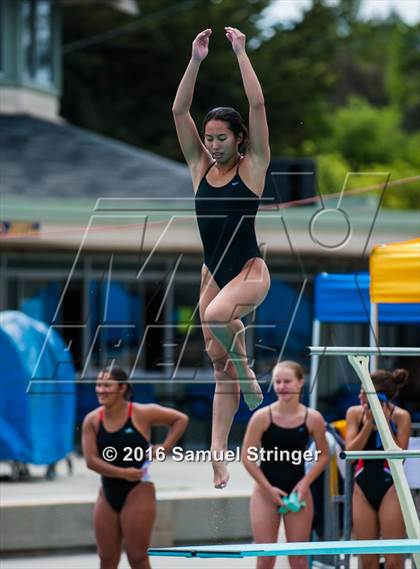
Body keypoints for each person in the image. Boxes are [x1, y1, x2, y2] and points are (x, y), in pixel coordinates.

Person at [172, 27, 271, 489]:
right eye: (208, 137)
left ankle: (248, 368)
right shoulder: (198, 170)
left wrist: (240, 54)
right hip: (214, 272)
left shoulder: (252, 169)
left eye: (220, 138)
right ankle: (217, 456)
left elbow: (257, 106)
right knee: (216, 359)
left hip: (250, 271)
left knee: (214, 318)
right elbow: (178, 110)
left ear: (238, 139)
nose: (212, 144)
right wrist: (194, 61)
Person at [82, 366, 188, 569]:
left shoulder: (140, 413)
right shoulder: (93, 420)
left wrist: (165, 447)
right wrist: (123, 473)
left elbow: (180, 419)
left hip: (138, 490)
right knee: (107, 558)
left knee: (137, 558)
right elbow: (91, 461)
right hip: (108, 492)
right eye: (98, 385)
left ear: (122, 388)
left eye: (107, 385)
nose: (101, 390)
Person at [242, 361, 329, 569]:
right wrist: (267, 488)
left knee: (298, 559)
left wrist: (305, 483)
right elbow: (247, 457)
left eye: (287, 381)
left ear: (300, 383)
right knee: (265, 558)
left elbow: (324, 455)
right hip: (265, 492)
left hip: (298, 492)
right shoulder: (262, 417)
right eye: (278, 382)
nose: (282, 387)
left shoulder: (313, 418)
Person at [345, 368, 411, 569]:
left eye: (364, 392)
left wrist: (384, 423)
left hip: (391, 486)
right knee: (368, 561)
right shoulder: (355, 414)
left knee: (394, 561)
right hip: (363, 486)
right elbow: (350, 453)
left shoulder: (400, 416)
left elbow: (398, 457)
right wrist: (369, 425)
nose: (359, 396)